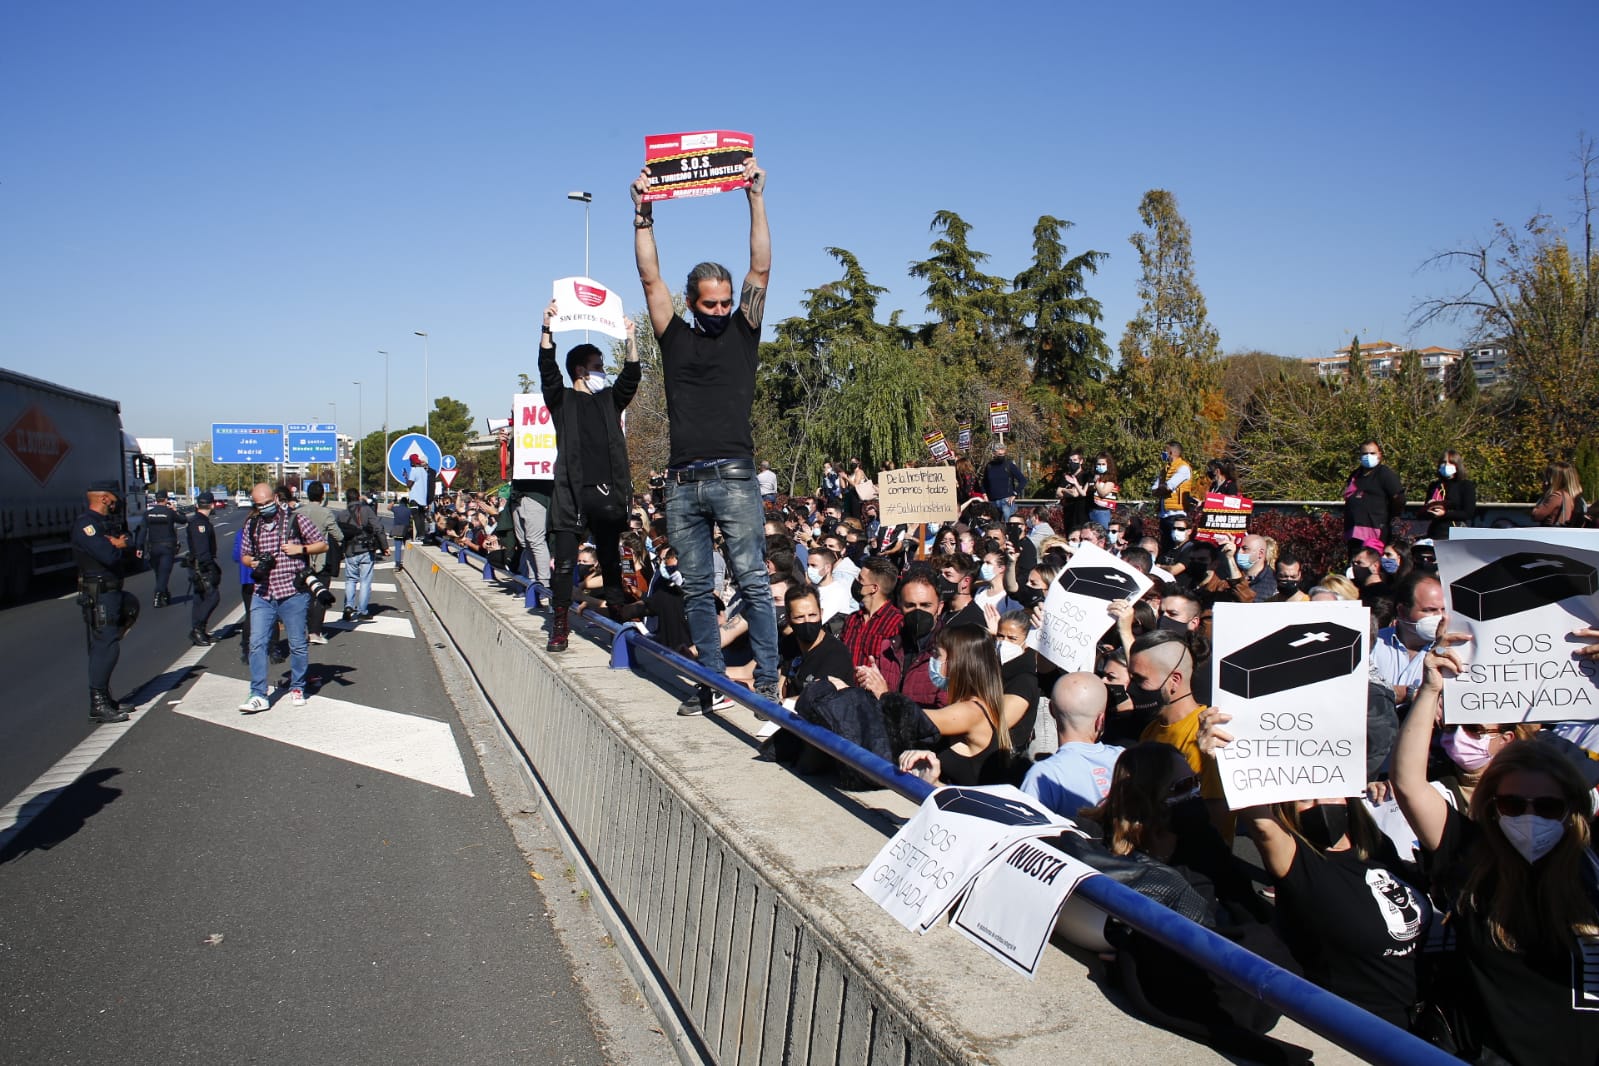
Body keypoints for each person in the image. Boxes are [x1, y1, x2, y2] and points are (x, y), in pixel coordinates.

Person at [1392, 648, 1599, 1064]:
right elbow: (1409, 784)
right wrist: (1430, 690)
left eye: (1547, 806)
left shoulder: (1591, 862)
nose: (1528, 816)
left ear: (1573, 809)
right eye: (1512, 804)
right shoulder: (1472, 855)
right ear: (1492, 805)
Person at [632, 155, 780, 711]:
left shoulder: (744, 330)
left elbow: (760, 268)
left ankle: (767, 681)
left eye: (725, 301)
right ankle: (712, 683)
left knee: (752, 581)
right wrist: (643, 215)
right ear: (692, 304)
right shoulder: (673, 336)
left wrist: (755, 196)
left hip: (735, 477)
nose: (720, 310)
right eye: (710, 303)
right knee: (696, 587)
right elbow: (650, 278)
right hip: (682, 483)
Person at [1199, 709, 1429, 1029]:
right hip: (1363, 1030)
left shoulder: (1376, 846)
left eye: (1329, 790)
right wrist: (1228, 758)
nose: (1321, 804)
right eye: (1305, 799)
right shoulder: (1298, 862)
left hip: (1421, 1020)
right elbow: (1263, 827)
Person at [539, 302, 641, 652]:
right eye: (598, 366)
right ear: (581, 371)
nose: (603, 372)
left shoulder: (609, 401)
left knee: (610, 561)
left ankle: (618, 620)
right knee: (564, 565)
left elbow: (632, 376)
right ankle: (560, 625)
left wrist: (630, 337)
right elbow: (547, 369)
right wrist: (547, 329)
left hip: (607, 495)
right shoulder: (562, 401)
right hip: (571, 497)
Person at [237, 482, 327, 712]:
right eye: (259, 505)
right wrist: (252, 562)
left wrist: (300, 549)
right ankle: (258, 694)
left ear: (276, 499)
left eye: (268, 503)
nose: (264, 508)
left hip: (292, 593)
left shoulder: (296, 520)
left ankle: (297, 686)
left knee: (297, 644)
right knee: (256, 643)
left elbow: (322, 545)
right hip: (263, 593)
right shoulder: (252, 525)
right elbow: (244, 555)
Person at [895, 624, 1013, 786]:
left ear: (957, 662)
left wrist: (882, 695)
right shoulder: (970, 704)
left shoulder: (971, 711)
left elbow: (911, 720)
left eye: (937, 654)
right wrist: (933, 781)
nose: (932, 660)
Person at [72, 479, 136, 723]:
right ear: (104, 498)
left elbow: (128, 540)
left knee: (111, 640)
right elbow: (108, 555)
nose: (116, 503)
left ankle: (106, 699)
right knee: (105, 646)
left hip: (111, 591)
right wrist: (119, 545)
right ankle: (98, 703)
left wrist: (121, 542)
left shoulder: (103, 523)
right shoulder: (87, 525)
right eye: (114, 499)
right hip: (99, 593)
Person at [1021, 672, 1124, 819]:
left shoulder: (1042, 776)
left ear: (1051, 710)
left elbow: (1026, 827)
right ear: (1101, 720)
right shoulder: (1126, 759)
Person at [1369, 572, 1446, 717]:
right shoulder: (1372, 643)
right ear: (1402, 611)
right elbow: (1360, 691)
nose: (1440, 617)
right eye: (1429, 610)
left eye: (1443, 609)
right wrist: (1411, 693)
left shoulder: (1453, 650)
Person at [779, 585, 854, 698]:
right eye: (799, 617)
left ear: (821, 613)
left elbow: (817, 699)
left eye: (812, 615)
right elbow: (781, 682)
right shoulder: (789, 643)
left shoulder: (836, 654)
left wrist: (783, 704)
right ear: (789, 619)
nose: (807, 621)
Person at [298, 481, 344, 644]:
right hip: (320, 561)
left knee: (304, 597)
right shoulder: (326, 513)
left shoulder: (297, 513)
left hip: (301, 560)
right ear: (322, 496)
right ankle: (315, 632)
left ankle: (302, 629)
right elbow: (338, 535)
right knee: (321, 597)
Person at [838, 556, 902, 670]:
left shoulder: (896, 623)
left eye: (860, 579)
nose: (856, 581)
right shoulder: (852, 619)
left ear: (874, 588)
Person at [1343, 440, 1405, 556]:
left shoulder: (1385, 474)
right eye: (1365, 453)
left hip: (1376, 531)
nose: (1368, 456)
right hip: (1354, 533)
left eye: (1372, 453)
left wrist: (1392, 517)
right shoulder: (1355, 475)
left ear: (1379, 454)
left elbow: (1398, 498)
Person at [338, 487, 388, 623]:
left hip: (350, 551)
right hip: (366, 549)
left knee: (350, 580)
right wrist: (384, 547)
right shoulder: (366, 510)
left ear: (347, 499)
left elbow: (337, 534)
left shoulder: (342, 514)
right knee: (365, 581)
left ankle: (348, 606)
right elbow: (378, 528)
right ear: (358, 497)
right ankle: (362, 611)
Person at [184, 491, 222, 647]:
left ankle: (200, 631)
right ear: (212, 505)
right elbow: (202, 550)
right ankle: (197, 629)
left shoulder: (199, 521)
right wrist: (208, 567)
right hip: (201, 567)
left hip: (197, 565)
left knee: (200, 599)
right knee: (212, 597)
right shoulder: (200, 524)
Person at [140, 489, 186, 607]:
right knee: (164, 572)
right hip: (167, 547)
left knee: (159, 573)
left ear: (156, 500)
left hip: (153, 547)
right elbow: (183, 520)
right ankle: (158, 595)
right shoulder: (169, 513)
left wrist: (139, 547)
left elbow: (142, 531)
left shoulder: (147, 514)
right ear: (166, 499)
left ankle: (164, 595)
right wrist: (176, 510)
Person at [1420, 449, 1476, 540]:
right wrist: (1430, 508)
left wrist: (1445, 514)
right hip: (1436, 532)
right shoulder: (1434, 485)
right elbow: (1424, 513)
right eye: (1444, 462)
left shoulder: (1466, 485)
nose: (1446, 465)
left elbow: (1468, 513)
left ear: (1457, 465)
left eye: (1451, 462)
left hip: (1456, 532)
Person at [1151, 441, 1193, 552]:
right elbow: (1153, 490)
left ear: (1170, 452)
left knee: (1176, 545)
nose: (1163, 453)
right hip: (1164, 514)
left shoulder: (1183, 468)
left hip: (1176, 514)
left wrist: (1162, 488)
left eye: (1165, 451)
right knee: (1165, 546)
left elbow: (1169, 486)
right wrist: (1161, 488)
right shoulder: (1164, 470)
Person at [1532, 459, 1586, 527]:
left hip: (1551, 532)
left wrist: (1544, 497)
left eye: (1548, 478)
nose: (1546, 482)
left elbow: (1536, 515)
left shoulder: (1556, 496)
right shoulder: (1578, 499)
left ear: (1558, 480)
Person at [983, 445, 1027, 521]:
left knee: (1009, 523)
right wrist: (984, 495)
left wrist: (1015, 494)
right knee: (994, 525)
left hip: (1006, 501)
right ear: (994, 453)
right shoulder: (989, 466)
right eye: (999, 454)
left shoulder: (1009, 465)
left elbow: (1023, 480)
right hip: (992, 501)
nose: (1001, 456)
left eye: (1003, 454)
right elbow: (984, 482)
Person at [406, 454, 433, 541]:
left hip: (415, 498)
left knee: (416, 517)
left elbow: (409, 484)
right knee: (421, 517)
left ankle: (419, 535)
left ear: (412, 462)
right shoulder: (424, 471)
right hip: (422, 499)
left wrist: (406, 477)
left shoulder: (414, 471)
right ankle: (422, 535)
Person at [1089, 452, 1119, 529]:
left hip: (1102, 512)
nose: (1100, 466)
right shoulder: (1093, 477)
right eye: (1098, 464)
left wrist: (1096, 482)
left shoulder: (1110, 479)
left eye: (1103, 464)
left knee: (1103, 532)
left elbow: (1103, 493)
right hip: (1091, 509)